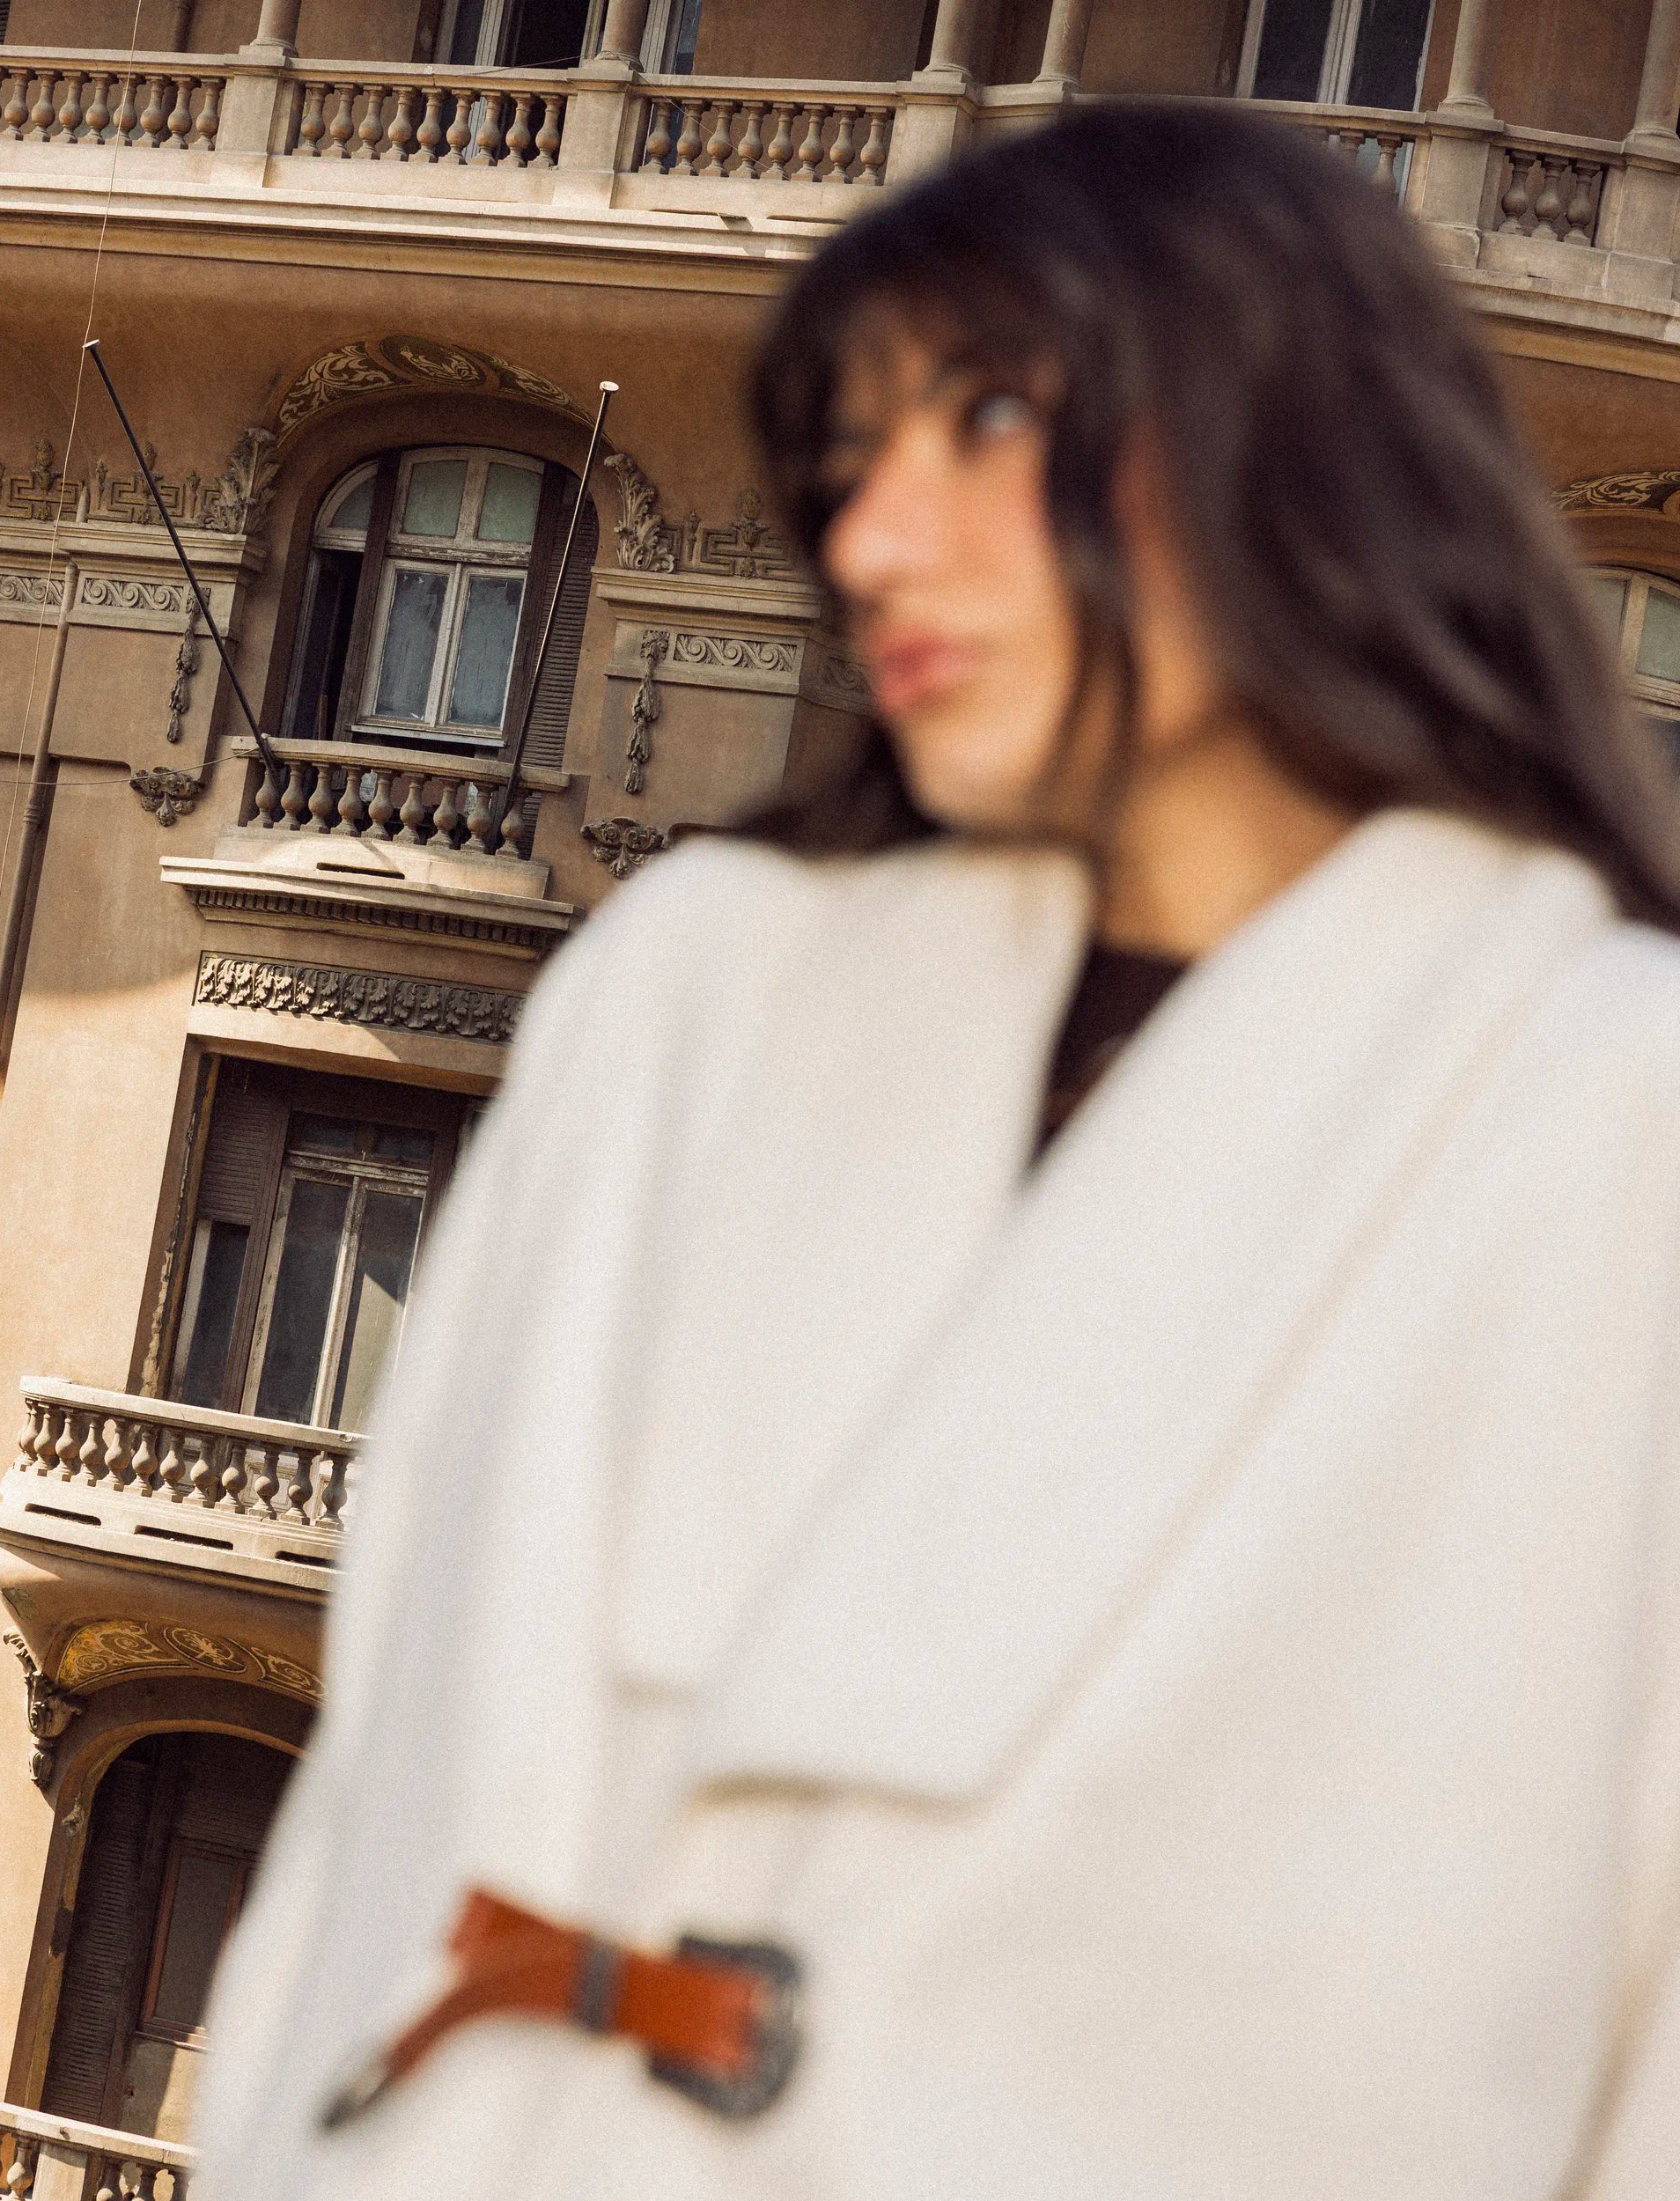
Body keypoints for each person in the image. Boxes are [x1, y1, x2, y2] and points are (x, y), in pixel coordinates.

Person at [197, 103, 1680, 2200]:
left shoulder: (1613, 1126)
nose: (874, 539)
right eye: (848, 463)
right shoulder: (681, 1004)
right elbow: (387, 1792)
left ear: (1284, 428)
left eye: (983, 416)